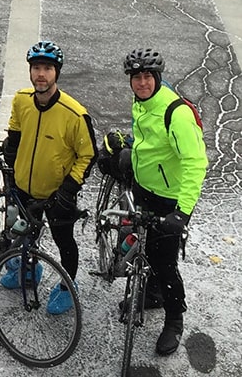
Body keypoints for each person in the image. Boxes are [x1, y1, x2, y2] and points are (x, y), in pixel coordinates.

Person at [122, 48, 208, 356]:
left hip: (170, 200)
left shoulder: (176, 112)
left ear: (158, 78)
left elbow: (196, 163)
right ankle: (154, 293)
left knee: (164, 262)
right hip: (145, 189)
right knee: (144, 247)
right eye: (136, 78)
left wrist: (182, 213)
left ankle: (174, 319)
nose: (142, 83)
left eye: (147, 77)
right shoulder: (141, 103)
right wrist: (128, 151)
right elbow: (149, 142)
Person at [2, 40, 97, 315]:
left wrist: (68, 189)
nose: (40, 74)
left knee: (64, 242)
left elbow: (88, 155)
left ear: (57, 73)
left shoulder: (74, 114)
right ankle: (29, 271)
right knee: (24, 235)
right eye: (36, 68)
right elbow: (15, 129)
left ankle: (68, 288)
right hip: (23, 186)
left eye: (47, 68)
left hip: (57, 193)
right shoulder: (22, 100)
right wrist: (11, 155)